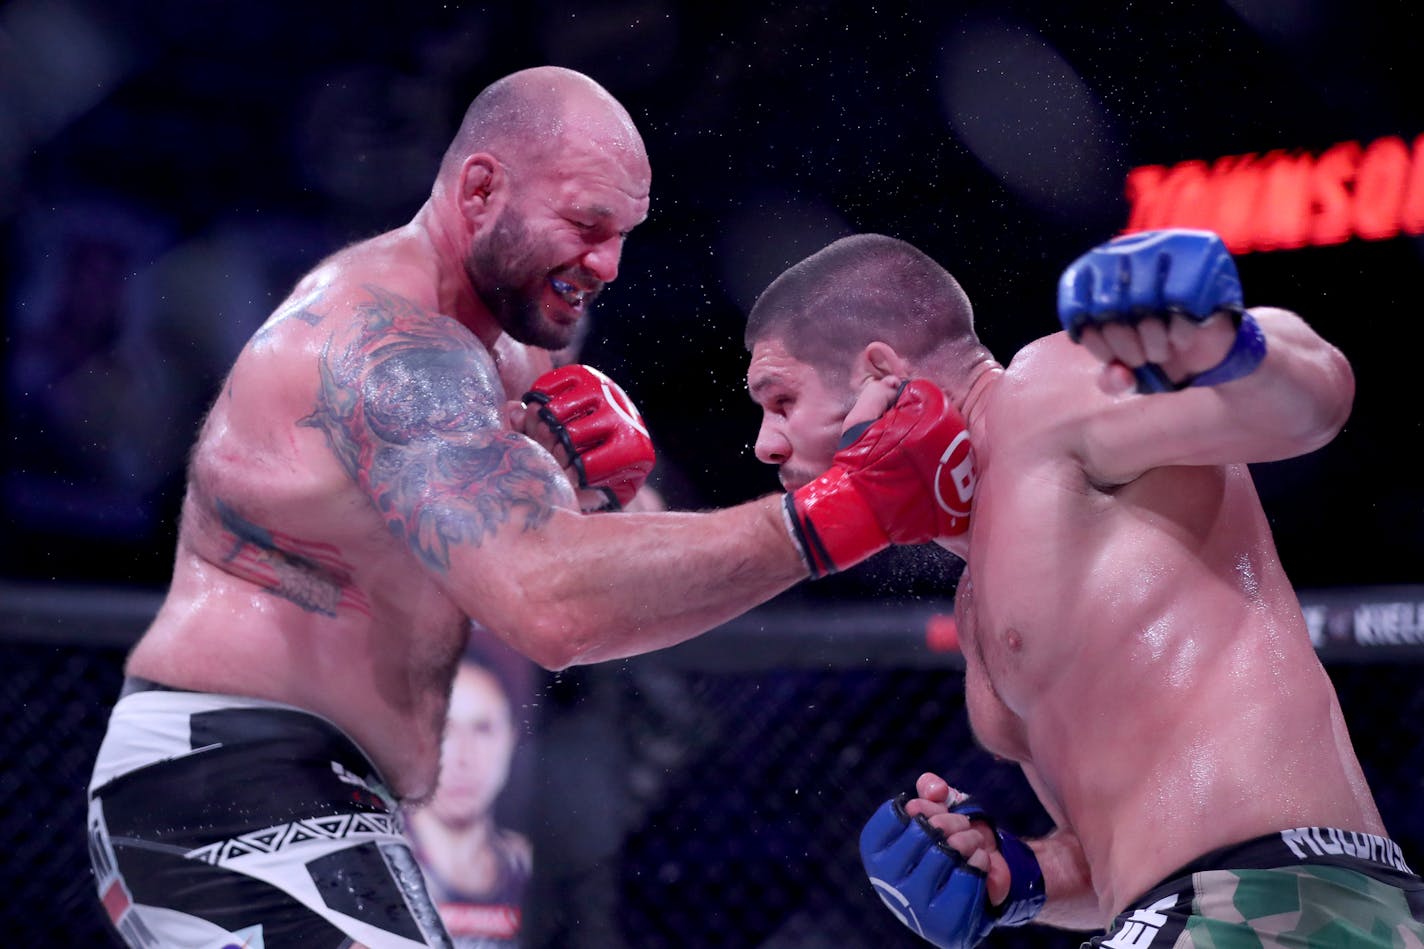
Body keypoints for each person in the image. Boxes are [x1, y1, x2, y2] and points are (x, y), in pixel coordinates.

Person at [85, 66, 964, 948]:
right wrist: (850, 509)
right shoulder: (391, 347)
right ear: (480, 189)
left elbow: (610, 592)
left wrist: (625, 498)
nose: (608, 263)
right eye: (586, 224)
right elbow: (551, 607)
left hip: (323, 788)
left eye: (624, 234)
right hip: (225, 777)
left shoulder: (508, 352)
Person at [743, 230, 1424, 947]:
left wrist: (1218, 340)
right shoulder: (979, 602)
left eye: (780, 399)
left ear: (876, 367)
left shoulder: (1042, 399)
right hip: (1238, 913)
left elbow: (1313, 398)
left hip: (1278, 896)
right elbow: (1117, 872)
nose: (765, 443)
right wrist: (1015, 876)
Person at [406, 631, 536, 949]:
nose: (464, 757)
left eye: (483, 729)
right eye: (445, 730)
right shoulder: (373, 864)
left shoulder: (532, 868)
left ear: (511, 739)